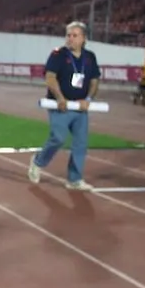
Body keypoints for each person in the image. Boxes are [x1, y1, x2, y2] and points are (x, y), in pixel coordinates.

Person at [28, 21, 102, 190]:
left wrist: (88, 99)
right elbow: (50, 77)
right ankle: (38, 161)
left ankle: (74, 179)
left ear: (84, 38)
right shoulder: (58, 55)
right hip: (59, 106)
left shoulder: (90, 57)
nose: (70, 38)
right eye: (68, 35)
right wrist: (60, 98)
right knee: (58, 138)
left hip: (80, 107)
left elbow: (94, 80)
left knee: (80, 143)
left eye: (75, 35)